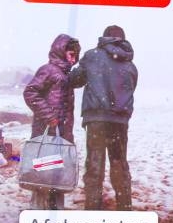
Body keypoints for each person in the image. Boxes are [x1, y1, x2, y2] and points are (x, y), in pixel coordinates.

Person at [70, 25, 138, 211]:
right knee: (119, 163)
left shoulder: (92, 56)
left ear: (104, 38)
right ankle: (124, 207)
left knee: (95, 163)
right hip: (119, 122)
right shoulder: (130, 65)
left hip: (96, 120)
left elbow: (75, 80)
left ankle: (93, 208)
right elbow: (129, 90)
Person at [23, 34, 80, 210]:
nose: (73, 59)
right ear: (61, 51)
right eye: (71, 54)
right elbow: (30, 93)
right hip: (46, 131)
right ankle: (38, 211)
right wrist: (49, 116)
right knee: (43, 173)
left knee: (57, 174)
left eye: (75, 56)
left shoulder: (65, 75)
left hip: (61, 134)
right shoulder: (48, 70)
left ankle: (55, 212)